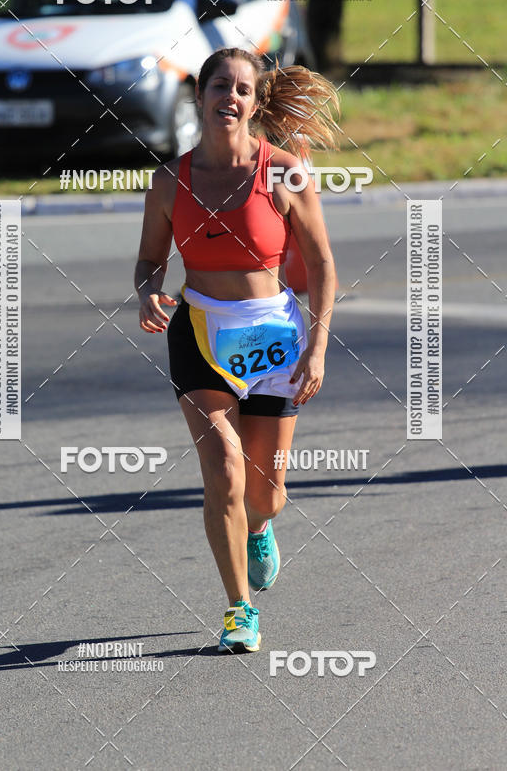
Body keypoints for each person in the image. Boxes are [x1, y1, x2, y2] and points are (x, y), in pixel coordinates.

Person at [134, 47, 338, 653]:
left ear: (254, 102)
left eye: (243, 89)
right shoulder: (170, 180)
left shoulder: (283, 172)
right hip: (200, 332)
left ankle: (261, 524)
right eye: (220, 85)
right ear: (199, 95)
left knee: (263, 492)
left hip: (274, 336)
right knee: (222, 470)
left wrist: (318, 347)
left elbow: (323, 263)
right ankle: (238, 610)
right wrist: (148, 292)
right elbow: (149, 260)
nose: (231, 97)